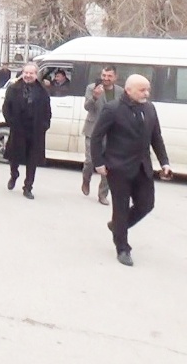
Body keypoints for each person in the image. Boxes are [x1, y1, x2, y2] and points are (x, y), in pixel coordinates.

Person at [91, 74, 171, 267]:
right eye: (142, 90)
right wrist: (99, 163)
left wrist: (164, 162)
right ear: (128, 90)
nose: (147, 93)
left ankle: (118, 227)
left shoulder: (149, 108)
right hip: (118, 167)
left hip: (143, 167)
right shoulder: (113, 109)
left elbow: (156, 138)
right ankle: (122, 247)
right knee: (120, 208)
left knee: (146, 204)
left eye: (148, 89)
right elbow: (96, 137)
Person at [2, 63, 51, 199]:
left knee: (32, 160)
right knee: (14, 156)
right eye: (26, 73)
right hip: (18, 129)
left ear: (36, 75)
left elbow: (48, 110)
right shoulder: (13, 89)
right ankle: (14, 174)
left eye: (31, 73)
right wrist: (11, 122)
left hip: (35, 131)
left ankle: (28, 186)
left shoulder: (42, 91)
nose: (28, 76)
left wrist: (45, 125)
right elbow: (6, 108)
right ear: (22, 73)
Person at [82, 66, 122, 205]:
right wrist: (94, 97)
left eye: (109, 76)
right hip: (93, 130)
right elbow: (87, 107)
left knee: (109, 165)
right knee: (90, 161)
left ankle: (103, 194)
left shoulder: (120, 92)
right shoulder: (92, 88)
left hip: (111, 133)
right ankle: (86, 179)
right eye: (104, 75)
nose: (105, 78)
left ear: (115, 77)